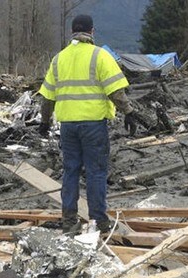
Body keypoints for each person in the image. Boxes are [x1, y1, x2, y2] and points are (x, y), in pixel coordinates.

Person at [38, 14, 142, 235]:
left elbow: (47, 97)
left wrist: (44, 122)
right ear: (92, 32)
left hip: (68, 126)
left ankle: (68, 221)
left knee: (70, 172)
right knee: (95, 172)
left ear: (72, 33)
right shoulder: (100, 56)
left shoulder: (59, 59)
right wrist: (129, 112)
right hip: (93, 125)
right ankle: (98, 221)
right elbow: (115, 91)